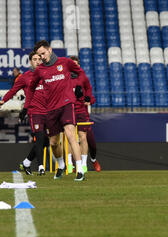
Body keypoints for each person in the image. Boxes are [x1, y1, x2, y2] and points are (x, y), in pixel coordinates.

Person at [26, 40, 86, 181]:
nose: (42, 57)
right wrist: (27, 106)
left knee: (71, 135)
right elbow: (31, 88)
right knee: (53, 143)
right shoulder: (40, 70)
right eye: (39, 56)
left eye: (43, 53)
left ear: (50, 50)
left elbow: (80, 73)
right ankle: (61, 165)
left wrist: (79, 86)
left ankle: (80, 170)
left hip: (66, 104)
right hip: (51, 109)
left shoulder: (65, 62)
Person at [0, 51, 49, 175]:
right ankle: (41, 167)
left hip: (49, 111)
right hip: (34, 111)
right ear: (30, 61)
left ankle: (26, 163)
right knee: (39, 138)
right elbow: (13, 91)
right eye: (34, 59)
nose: (37, 61)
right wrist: (3, 101)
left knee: (46, 141)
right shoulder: (25, 77)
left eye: (39, 59)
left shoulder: (47, 74)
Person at [66, 55, 100, 173]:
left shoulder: (84, 78)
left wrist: (88, 99)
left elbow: (91, 97)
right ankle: (70, 164)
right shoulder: (64, 79)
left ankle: (87, 163)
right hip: (69, 111)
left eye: (76, 64)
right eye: (72, 64)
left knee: (85, 138)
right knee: (71, 138)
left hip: (82, 112)